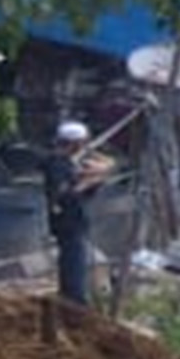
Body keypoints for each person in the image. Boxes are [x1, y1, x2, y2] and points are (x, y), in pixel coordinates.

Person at [40, 122, 111, 309]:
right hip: (68, 223)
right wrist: (87, 182)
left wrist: (95, 183)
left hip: (75, 220)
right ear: (74, 144)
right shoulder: (57, 165)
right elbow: (64, 196)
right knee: (74, 264)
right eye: (82, 144)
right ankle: (74, 302)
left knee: (74, 261)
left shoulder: (69, 163)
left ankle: (72, 299)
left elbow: (82, 192)